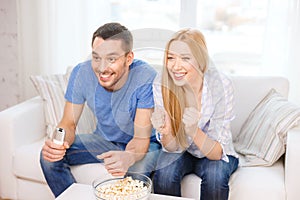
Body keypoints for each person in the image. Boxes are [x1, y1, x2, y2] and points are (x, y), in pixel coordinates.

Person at [40, 22, 161, 197]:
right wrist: (58, 144)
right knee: (48, 158)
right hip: (104, 140)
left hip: (145, 145)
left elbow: (140, 138)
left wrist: (128, 156)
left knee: (136, 172)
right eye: (97, 58)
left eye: (111, 59)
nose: (102, 68)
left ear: (128, 58)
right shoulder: (81, 73)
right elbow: (68, 123)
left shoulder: (144, 76)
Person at [151, 29, 239, 200]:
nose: (175, 66)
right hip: (181, 149)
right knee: (164, 174)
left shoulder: (221, 85)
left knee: (215, 177)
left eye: (185, 58)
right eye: (171, 58)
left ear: (200, 60)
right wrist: (167, 131)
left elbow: (216, 153)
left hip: (213, 150)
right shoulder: (161, 84)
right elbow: (170, 148)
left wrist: (193, 130)